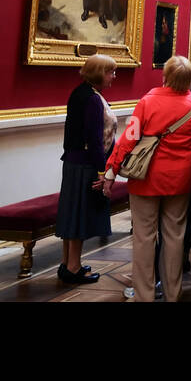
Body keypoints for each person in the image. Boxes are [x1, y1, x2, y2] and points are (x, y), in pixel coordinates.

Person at [101, 56, 191, 302]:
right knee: (174, 236)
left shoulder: (147, 102)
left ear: (166, 76)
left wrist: (110, 171)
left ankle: (144, 295)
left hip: (145, 178)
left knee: (144, 237)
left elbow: (129, 139)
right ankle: (173, 294)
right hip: (181, 180)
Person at [56, 54, 117, 285]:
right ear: (99, 73)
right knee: (80, 215)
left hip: (74, 161)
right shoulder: (92, 99)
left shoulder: (80, 92)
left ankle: (66, 262)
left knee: (72, 213)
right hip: (86, 164)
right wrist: (103, 172)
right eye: (111, 72)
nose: (114, 76)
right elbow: (94, 139)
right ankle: (74, 267)